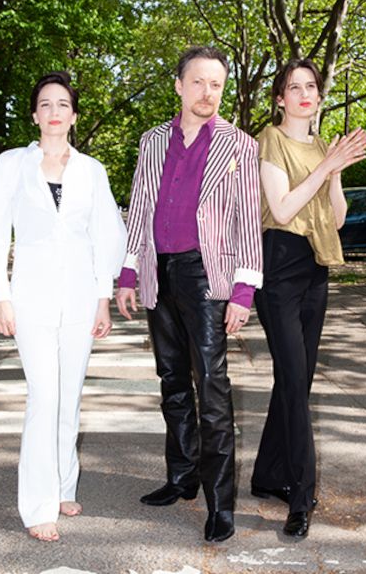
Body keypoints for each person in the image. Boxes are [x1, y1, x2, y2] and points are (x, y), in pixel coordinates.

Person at [0, 72, 127, 542]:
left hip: (80, 297)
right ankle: (37, 505)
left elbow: (106, 236)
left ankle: (61, 485)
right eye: (45, 104)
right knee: (44, 396)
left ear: (73, 116)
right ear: (35, 115)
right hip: (29, 296)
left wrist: (102, 299)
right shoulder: (11, 165)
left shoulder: (91, 170)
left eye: (63, 104)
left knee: (69, 396)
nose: (54, 112)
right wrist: (0, 295)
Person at [115, 46, 262, 543]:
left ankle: (221, 505)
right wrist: (128, 273)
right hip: (160, 270)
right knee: (171, 381)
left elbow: (247, 222)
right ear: (179, 85)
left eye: (216, 84)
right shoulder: (152, 141)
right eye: (198, 82)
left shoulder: (239, 145)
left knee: (213, 391)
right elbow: (138, 209)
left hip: (206, 277)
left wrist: (243, 291)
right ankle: (181, 477)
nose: (207, 93)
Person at [251, 59, 366, 539]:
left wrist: (334, 171)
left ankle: (265, 476)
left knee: (293, 381)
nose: (304, 93)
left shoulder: (322, 146)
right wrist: (325, 166)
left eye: (312, 87)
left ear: (319, 96)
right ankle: (301, 496)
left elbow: (336, 218)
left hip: (316, 268)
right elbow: (280, 208)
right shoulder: (269, 140)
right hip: (278, 265)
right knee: (296, 381)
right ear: (280, 98)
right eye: (293, 87)